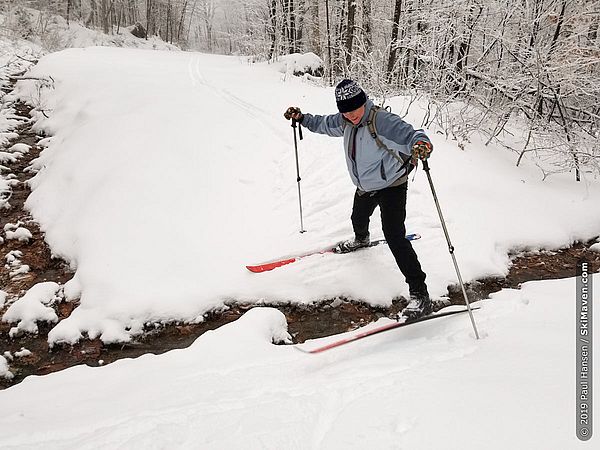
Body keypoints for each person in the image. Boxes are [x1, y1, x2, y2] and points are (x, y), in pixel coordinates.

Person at [284, 79, 434, 319]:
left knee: (394, 235)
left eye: (355, 110)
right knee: (358, 217)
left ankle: (420, 294)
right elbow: (323, 123)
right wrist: (302, 118)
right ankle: (362, 240)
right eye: (346, 112)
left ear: (363, 102)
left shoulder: (381, 121)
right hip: (365, 186)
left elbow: (411, 134)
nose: (351, 116)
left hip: (392, 185)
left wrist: (421, 143)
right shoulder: (345, 120)